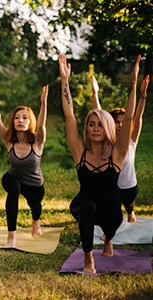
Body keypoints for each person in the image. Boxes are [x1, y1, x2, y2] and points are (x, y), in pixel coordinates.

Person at [59, 53, 138, 274]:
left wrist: (133, 83)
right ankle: (88, 261)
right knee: (87, 206)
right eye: (91, 124)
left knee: (110, 226)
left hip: (111, 211)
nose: (95, 128)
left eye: (100, 125)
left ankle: (108, 239)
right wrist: (65, 80)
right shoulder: (80, 153)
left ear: (108, 129)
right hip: (84, 204)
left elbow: (130, 118)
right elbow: (69, 116)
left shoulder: (117, 154)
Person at [0, 81, 48, 248]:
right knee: (13, 188)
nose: (20, 120)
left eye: (25, 117)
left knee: (36, 207)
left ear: (30, 121)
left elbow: (41, 124)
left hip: (34, 184)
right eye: (17, 117)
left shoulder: (38, 141)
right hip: (13, 179)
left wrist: (43, 103)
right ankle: (11, 236)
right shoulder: (9, 140)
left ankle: (36, 221)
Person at [89, 74, 150, 223]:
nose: (120, 125)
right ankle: (109, 225)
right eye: (116, 122)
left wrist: (142, 96)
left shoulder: (131, 140)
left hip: (129, 186)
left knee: (129, 205)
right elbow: (99, 114)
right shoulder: (107, 140)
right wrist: (95, 93)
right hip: (112, 187)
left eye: (123, 122)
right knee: (109, 204)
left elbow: (138, 117)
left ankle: (130, 211)